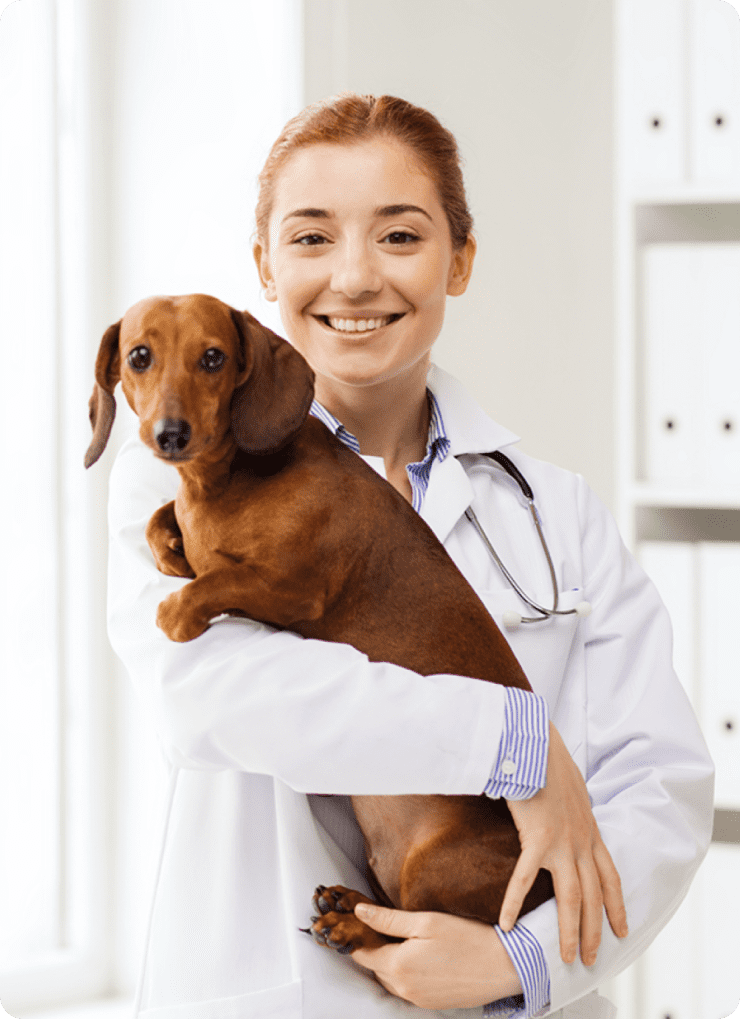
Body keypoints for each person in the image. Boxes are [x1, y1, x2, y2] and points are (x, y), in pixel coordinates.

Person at [107, 94, 714, 1019]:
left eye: (399, 236)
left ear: (459, 261)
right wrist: (519, 747)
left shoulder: (557, 511)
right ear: (263, 265)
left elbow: (662, 792)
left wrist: (523, 960)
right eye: (311, 239)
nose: (354, 278)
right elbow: (221, 699)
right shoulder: (176, 485)